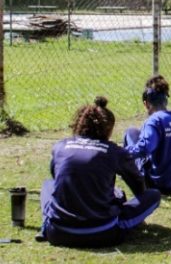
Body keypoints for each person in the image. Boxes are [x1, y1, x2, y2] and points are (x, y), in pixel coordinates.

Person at [38, 97, 161, 248]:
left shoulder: (60, 146)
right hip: (103, 234)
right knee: (153, 195)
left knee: (48, 185)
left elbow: (58, 180)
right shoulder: (114, 152)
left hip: (58, 233)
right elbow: (137, 183)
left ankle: (46, 226)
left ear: (79, 124)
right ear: (108, 129)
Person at [123, 75, 171, 192]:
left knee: (131, 133)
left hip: (162, 184)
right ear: (165, 100)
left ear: (146, 104)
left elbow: (144, 148)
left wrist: (119, 153)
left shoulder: (154, 121)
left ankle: (121, 169)